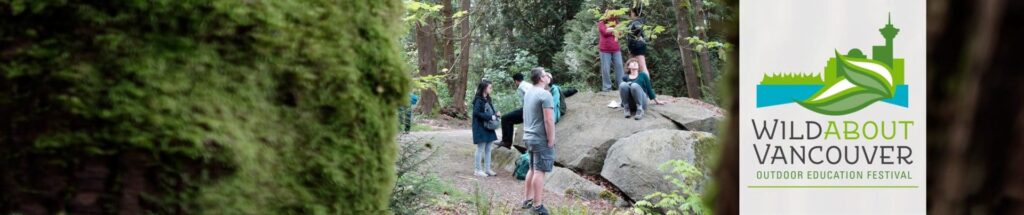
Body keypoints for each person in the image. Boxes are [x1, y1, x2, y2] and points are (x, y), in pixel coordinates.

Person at [521, 67, 556, 215]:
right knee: (539, 171)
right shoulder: (545, 94)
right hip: (540, 138)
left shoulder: (528, 92)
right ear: (541, 78)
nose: (548, 76)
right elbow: (548, 120)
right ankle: (537, 205)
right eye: (545, 74)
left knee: (532, 169)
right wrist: (551, 138)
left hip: (528, 136)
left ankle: (527, 199)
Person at [471, 79, 500, 177]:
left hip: (488, 127)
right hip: (480, 126)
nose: (491, 89)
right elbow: (476, 113)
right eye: (490, 87)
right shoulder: (478, 100)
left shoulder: (488, 99)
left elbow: (490, 111)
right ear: (484, 88)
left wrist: (495, 114)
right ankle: (477, 170)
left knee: (488, 148)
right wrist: (490, 117)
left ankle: (487, 169)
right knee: (480, 148)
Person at [499, 73, 532, 148]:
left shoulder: (521, 86)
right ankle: (507, 142)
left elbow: (529, 94)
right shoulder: (528, 84)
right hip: (529, 109)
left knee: (505, 118)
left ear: (516, 81)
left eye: (514, 82)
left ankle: (506, 142)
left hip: (527, 109)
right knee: (509, 120)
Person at [598, 9, 625, 92]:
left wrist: (612, 29)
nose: (610, 15)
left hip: (616, 49)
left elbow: (621, 33)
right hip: (604, 49)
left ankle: (622, 86)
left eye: (612, 13)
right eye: (608, 13)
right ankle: (607, 88)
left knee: (620, 66)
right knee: (606, 69)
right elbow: (604, 32)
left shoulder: (616, 22)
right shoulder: (601, 23)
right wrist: (614, 30)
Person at [627, 6, 650, 75]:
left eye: (631, 12)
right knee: (633, 67)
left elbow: (639, 30)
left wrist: (638, 37)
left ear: (634, 13)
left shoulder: (637, 22)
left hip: (637, 47)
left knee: (642, 67)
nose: (630, 14)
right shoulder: (638, 21)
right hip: (634, 48)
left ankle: (647, 85)